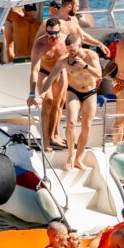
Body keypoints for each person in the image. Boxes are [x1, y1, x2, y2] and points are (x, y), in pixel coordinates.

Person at [37, 33, 103, 171]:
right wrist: (42, 94)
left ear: (80, 45)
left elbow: (99, 75)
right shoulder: (64, 60)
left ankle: (79, 159)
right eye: (68, 50)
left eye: (73, 50)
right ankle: (71, 156)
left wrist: (85, 66)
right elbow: (51, 77)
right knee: (71, 122)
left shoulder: (91, 56)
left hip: (90, 92)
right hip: (73, 91)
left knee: (87, 125)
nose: (71, 53)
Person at [28, 18, 68, 151]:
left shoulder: (65, 40)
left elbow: (76, 53)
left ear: (60, 30)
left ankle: (54, 135)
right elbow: (34, 70)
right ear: (46, 31)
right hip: (44, 73)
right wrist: (32, 93)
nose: (54, 36)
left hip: (60, 73)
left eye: (56, 32)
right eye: (50, 33)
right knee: (48, 102)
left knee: (58, 105)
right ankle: (46, 141)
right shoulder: (39, 45)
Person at [37, 0, 109, 56]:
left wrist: (99, 44)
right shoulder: (48, 23)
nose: (78, 9)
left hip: (71, 61)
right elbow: (37, 45)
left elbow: (82, 36)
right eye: (77, 6)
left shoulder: (73, 19)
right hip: (56, 64)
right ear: (69, 7)